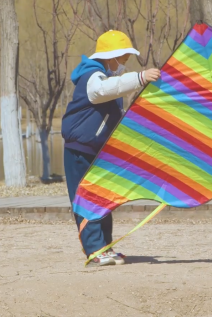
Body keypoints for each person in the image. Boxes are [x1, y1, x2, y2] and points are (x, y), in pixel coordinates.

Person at [61, 30, 160, 266]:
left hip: (98, 152)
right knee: (86, 199)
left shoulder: (106, 78)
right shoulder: (92, 77)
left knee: (102, 200)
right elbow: (102, 91)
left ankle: (105, 246)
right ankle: (94, 249)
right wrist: (140, 78)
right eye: (123, 59)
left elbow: (113, 113)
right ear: (110, 57)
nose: (124, 64)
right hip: (79, 150)